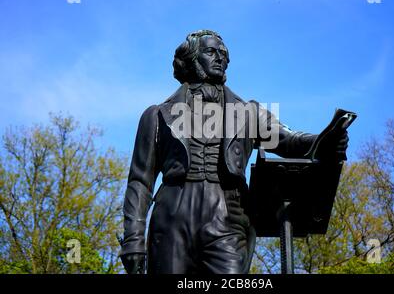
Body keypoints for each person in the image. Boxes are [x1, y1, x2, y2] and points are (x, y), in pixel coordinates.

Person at [118, 30, 349, 274]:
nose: (220, 58)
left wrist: (325, 140)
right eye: (211, 52)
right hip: (172, 216)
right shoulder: (156, 115)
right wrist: (133, 238)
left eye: (224, 54)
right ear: (192, 58)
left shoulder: (248, 112)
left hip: (227, 216)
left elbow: (289, 140)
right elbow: (140, 182)